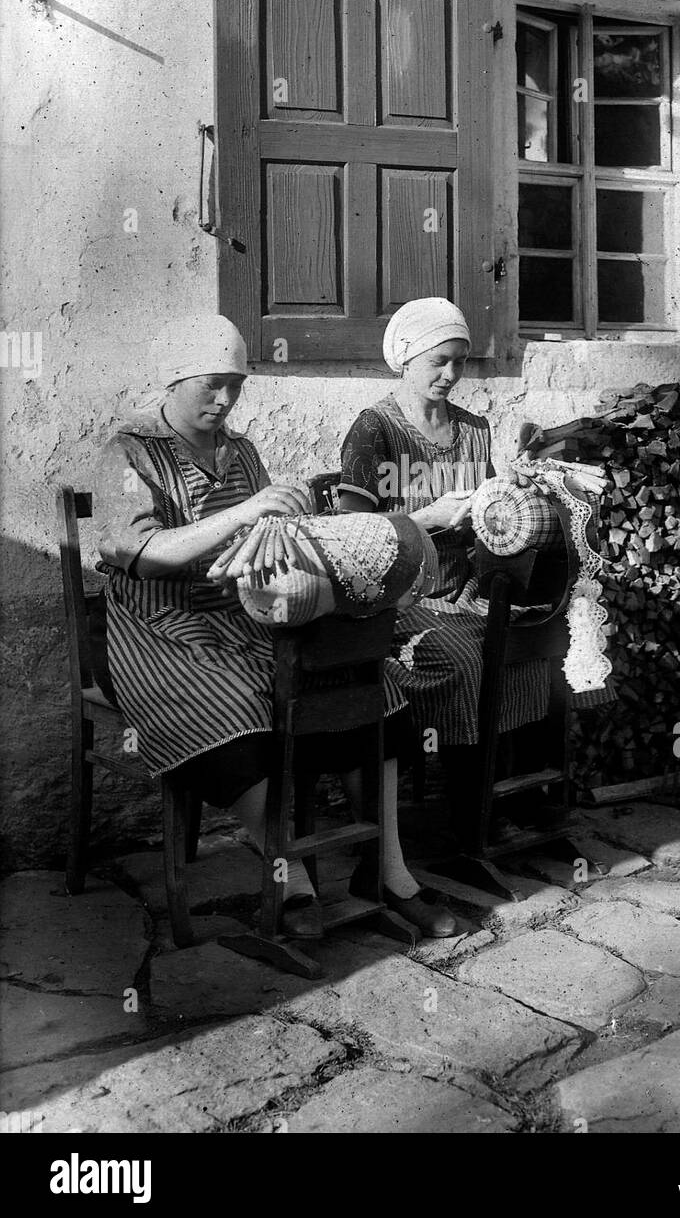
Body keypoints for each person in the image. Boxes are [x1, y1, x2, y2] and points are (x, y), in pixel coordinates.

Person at [95, 313, 455, 939]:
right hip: (158, 630)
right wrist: (248, 512)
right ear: (174, 379)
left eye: (235, 385)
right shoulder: (130, 451)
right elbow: (137, 552)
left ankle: (388, 872)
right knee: (235, 708)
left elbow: (267, 541)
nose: (225, 399)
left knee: (374, 684)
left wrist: (294, 533)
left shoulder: (241, 450)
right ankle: (292, 876)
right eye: (211, 384)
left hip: (244, 619)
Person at [338, 298, 563, 841]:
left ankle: (526, 803)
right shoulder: (375, 430)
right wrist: (424, 519)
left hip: (468, 592)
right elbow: (352, 537)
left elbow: (489, 514)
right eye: (439, 360)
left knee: (545, 649)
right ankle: (471, 819)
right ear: (406, 357)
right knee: (471, 660)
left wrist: (508, 502)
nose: (451, 374)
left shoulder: (473, 429)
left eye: (460, 361)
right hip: (400, 604)